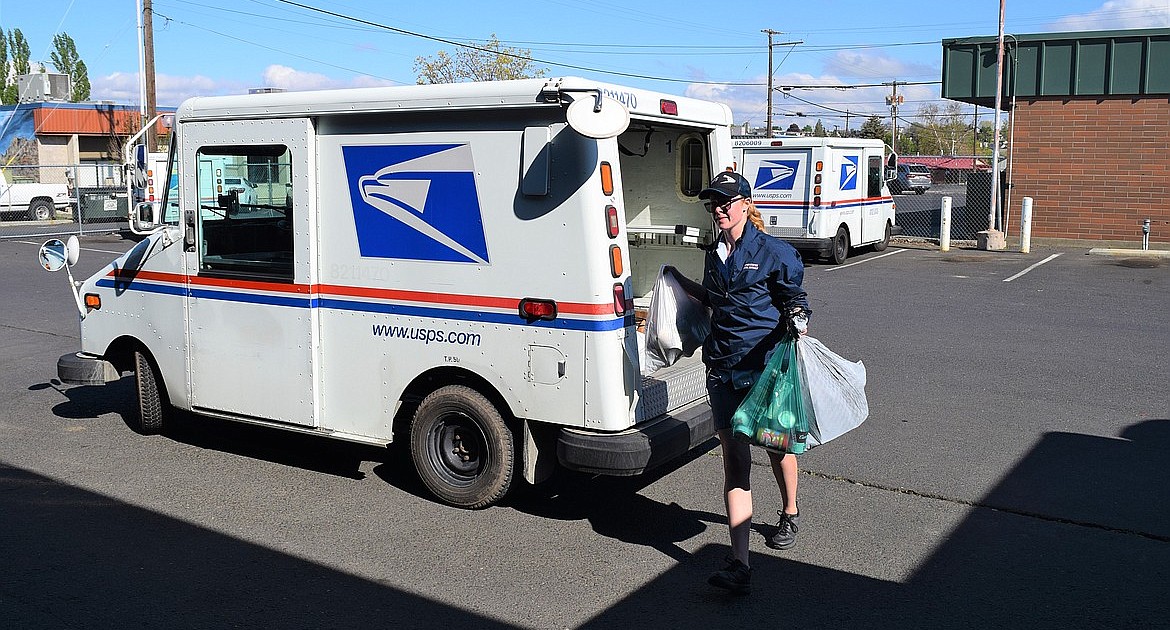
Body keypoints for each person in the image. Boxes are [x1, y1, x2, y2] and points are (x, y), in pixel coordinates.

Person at [698, 171, 810, 595]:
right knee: (735, 460)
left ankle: (790, 511)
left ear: (746, 203)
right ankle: (739, 562)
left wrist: (799, 322)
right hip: (723, 369)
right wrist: (674, 281)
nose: (719, 210)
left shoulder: (773, 252)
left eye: (727, 202)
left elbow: (794, 301)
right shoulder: (715, 255)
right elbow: (711, 300)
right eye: (714, 204)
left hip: (763, 372)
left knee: (778, 449)